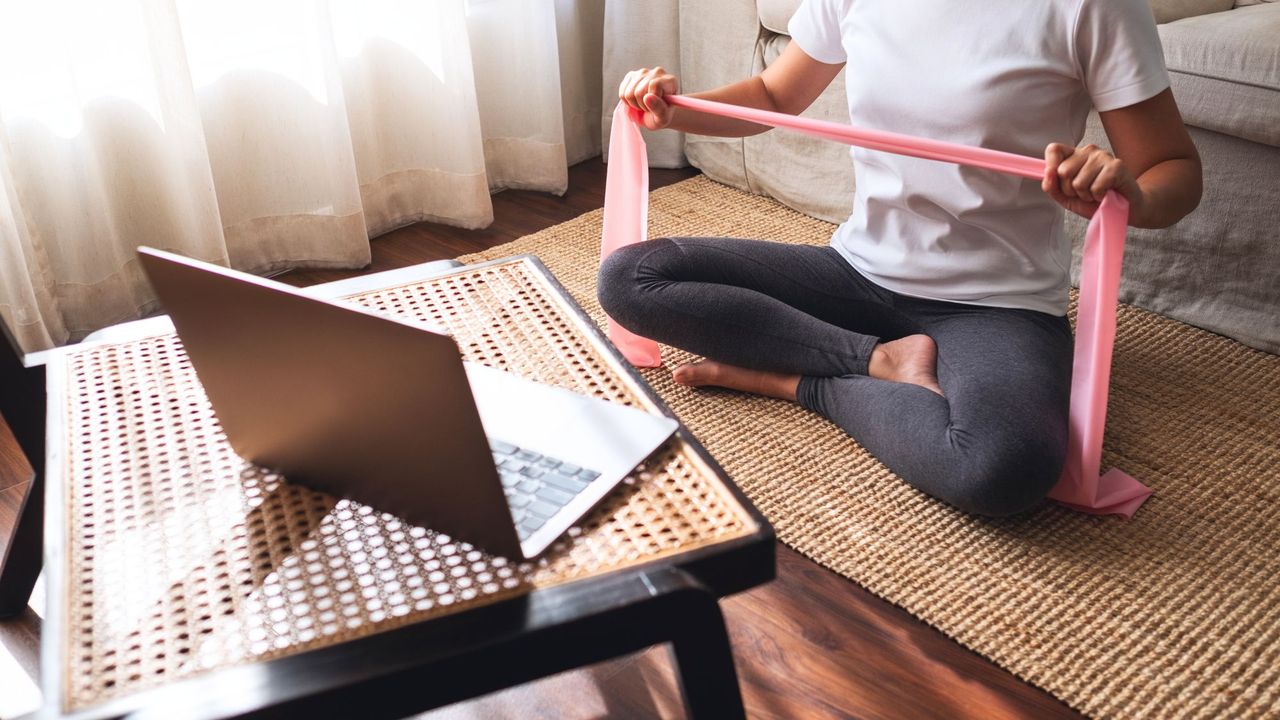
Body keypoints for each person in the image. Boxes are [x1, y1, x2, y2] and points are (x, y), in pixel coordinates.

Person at [599, 0, 1202, 516]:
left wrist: (1128, 193)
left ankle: (797, 379)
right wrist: (674, 109)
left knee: (1001, 469)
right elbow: (772, 95)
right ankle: (875, 359)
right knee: (630, 277)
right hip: (858, 272)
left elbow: (1174, 170)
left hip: (995, 304)